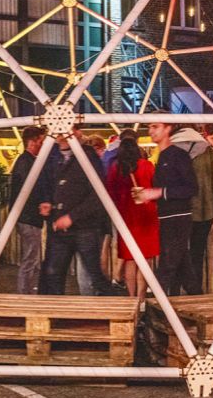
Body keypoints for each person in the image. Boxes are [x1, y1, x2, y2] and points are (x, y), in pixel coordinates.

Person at [41, 132, 116, 296]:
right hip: (60, 226)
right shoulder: (53, 155)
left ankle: (101, 312)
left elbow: (98, 193)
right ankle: (55, 315)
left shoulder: (87, 156)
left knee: (92, 275)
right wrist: (47, 202)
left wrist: (72, 217)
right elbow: (47, 182)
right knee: (53, 273)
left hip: (84, 227)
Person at [134, 119, 200, 296]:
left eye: (155, 126)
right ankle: (198, 301)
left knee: (167, 266)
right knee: (184, 269)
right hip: (166, 217)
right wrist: (151, 196)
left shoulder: (178, 155)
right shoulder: (162, 156)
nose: (151, 130)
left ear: (168, 129)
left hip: (178, 218)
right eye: (149, 127)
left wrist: (158, 193)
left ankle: (155, 308)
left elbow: (191, 188)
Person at [105, 137, 159, 301]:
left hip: (126, 218)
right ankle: (141, 299)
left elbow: (110, 192)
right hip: (147, 217)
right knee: (145, 260)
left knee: (130, 259)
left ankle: (131, 297)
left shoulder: (116, 168)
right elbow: (155, 188)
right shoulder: (147, 165)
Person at [174, 125, 213, 292]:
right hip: (205, 211)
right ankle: (195, 292)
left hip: (180, 211)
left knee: (177, 253)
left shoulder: (171, 150)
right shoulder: (207, 150)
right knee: (197, 253)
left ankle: (173, 294)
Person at [9, 126, 49, 294]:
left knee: (31, 256)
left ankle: (27, 292)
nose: (44, 145)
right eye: (41, 141)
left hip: (27, 216)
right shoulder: (28, 163)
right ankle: (25, 293)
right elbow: (31, 189)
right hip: (29, 217)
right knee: (30, 258)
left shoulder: (24, 161)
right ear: (32, 142)